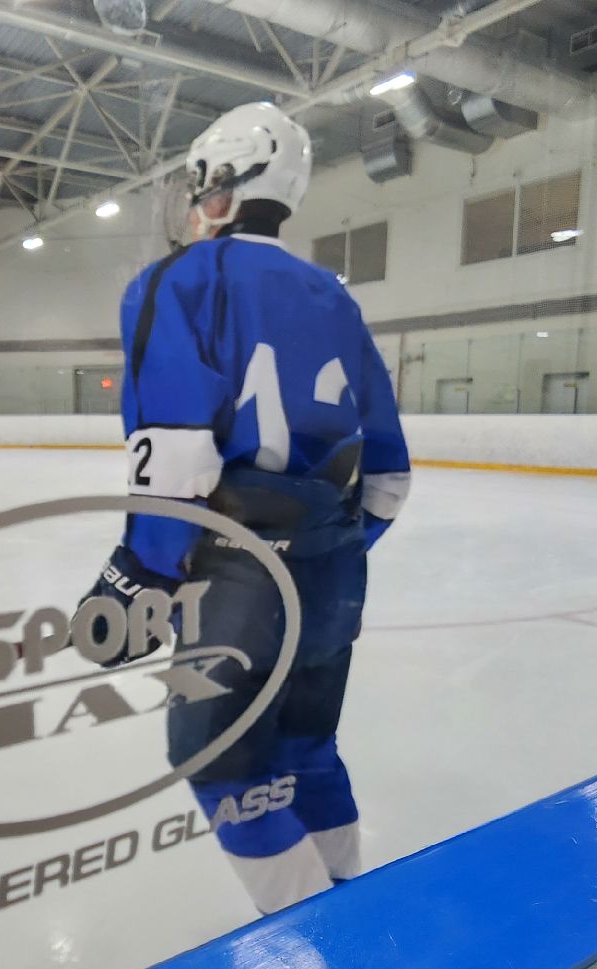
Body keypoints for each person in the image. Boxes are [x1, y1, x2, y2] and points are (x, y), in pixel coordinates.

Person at [79, 102, 411, 915]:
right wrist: (327, 544)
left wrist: (141, 574)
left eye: (200, 184)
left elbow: (180, 454)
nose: (194, 201)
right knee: (306, 745)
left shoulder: (174, 282)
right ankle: (352, 907)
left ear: (223, 186)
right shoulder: (335, 298)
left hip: (236, 572)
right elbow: (389, 478)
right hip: (335, 567)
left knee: (222, 758)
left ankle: (316, 939)